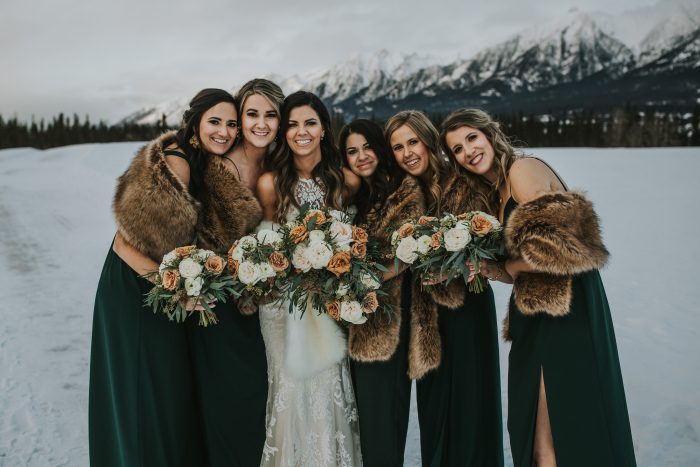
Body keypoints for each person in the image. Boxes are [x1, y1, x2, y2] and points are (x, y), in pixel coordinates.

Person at [440, 108, 637, 467]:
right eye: (457, 149)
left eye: (472, 138)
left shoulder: (521, 169)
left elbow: (559, 248)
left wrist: (507, 264)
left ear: (490, 134)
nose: (468, 151)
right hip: (535, 316)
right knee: (536, 433)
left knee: (561, 432)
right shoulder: (495, 194)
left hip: (568, 313)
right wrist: (491, 268)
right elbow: (522, 269)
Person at [89, 88, 247, 466]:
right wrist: (177, 292)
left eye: (231, 124)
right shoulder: (177, 162)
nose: (224, 131)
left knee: (161, 393)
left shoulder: (198, 161)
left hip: (157, 285)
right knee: (147, 393)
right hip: (135, 288)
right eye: (215, 122)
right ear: (194, 124)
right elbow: (126, 247)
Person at [385, 110, 504, 467]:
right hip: (424, 320)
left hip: (467, 309)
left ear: (428, 140)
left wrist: (456, 262)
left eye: (412, 142)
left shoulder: (464, 180)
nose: (407, 152)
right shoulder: (401, 192)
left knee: (471, 406)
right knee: (435, 410)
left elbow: (492, 239)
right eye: (397, 147)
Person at [256, 91, 363, 467]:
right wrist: (293, 262)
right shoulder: (271, 183)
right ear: (283, 133)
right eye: (292, 125)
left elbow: (356, 242)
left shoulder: (345, 180)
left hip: (329, 299)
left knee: (329, 385)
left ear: (323, 129)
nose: (301, 131)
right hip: (282, 305)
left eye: (310, 122)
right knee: (289, 389)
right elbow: (267, 245)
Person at [186, 79, 284, 466]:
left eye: (271, 115)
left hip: (269, 302)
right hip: (220, 302)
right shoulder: (216, 166)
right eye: (252, 114)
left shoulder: (280, 162)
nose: (261, 124)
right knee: (229, 399)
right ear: (240, 118)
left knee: (262, 398)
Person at [339, 119, 425, 467]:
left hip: (387, 322)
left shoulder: (405, 193)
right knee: (356, 421)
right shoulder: (354, 195)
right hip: (348, 320)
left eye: (367, 147)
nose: (361, 157)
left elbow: (406, 255)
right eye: (352, 151)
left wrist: (358, 281)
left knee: (382, 419)